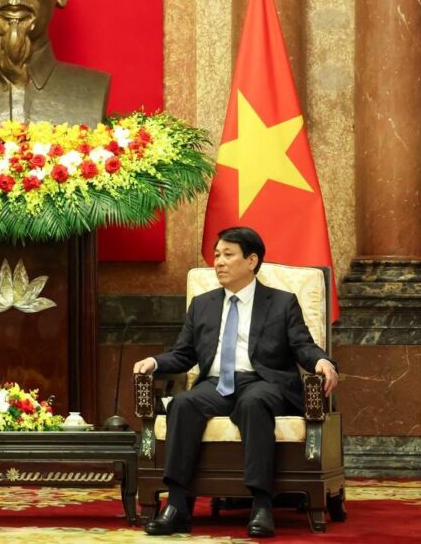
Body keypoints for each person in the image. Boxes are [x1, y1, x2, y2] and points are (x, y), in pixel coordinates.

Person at [132, 227, 338, 538]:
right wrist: (155, 362)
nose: (219, 262)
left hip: (263, 381)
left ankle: (262, 504)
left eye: (228, 255)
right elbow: (184, 354)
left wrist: (322, 361)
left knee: (253, 403)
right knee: (183, 403)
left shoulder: (281, 303)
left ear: (251, 260)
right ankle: (176, 506)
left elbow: (301, 346)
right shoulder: (203, 304)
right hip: (215, 384)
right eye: (217, 255)